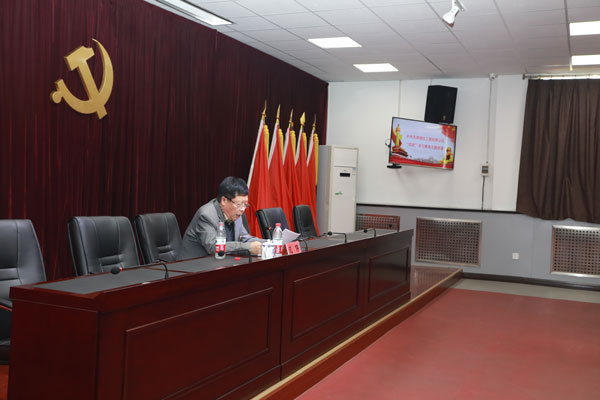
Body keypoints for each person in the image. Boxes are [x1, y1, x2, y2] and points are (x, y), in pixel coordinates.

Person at [180, 176, 262, 259]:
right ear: (224, 200)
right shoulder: (206, 215)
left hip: (222, 262)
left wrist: (267, 243)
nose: (243, 209)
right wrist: (248, 247)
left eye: (245, 204)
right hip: (196, 264)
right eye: (239, 204)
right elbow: (214, 247)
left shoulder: (235, 213)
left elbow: (245, 238)